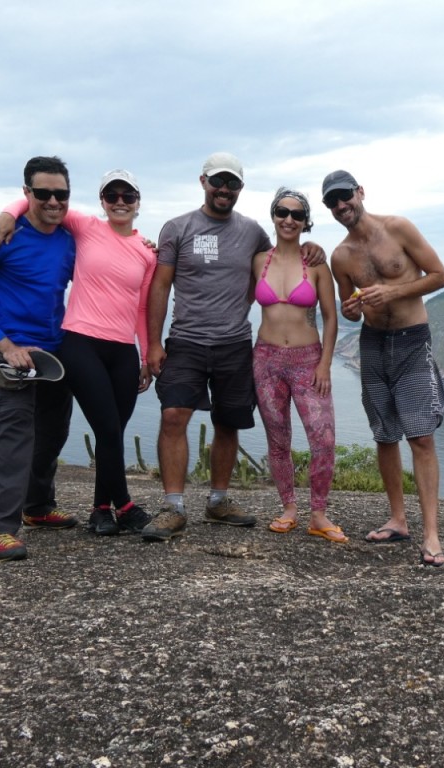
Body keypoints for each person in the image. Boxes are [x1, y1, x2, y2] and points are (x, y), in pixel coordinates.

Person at [141, 152, 325, 542]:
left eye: (233, 183)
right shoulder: (178, 227)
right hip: (187, 340)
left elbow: (283, 252)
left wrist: (315, 248)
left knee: (228, 421)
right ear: (203, 181)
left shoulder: (253, 232)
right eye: (218, 181)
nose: (225, 189)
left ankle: (218, 500)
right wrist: (153, 343)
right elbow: (160, 285)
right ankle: (173, 506)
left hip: (235, 343)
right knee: (174, 414)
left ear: (240, 188)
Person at [0, 169, 156, 537]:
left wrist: (144, 353)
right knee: (106, 426)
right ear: (102, 201)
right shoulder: (86, 226)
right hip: (79, 342)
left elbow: (141, 307)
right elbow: (41, 202)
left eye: (128, 196)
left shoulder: (147, 251)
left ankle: (100, 511)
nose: (120, 201)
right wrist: (8, 214)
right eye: (112, 195)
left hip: (124, 349)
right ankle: (124, 505)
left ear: (138, 202)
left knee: (114, 432)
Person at [323, 170, 444, 567]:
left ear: (360, 192)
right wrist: (351, 308)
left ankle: (431, 534)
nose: (341, 205)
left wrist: (394, 290)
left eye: (345, 196)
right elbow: (351, 310)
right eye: (332, 202)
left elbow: (441, 276)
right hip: (373, 344)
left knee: (421, 437)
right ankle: (399, 519)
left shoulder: (398, 228)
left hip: (413, 339)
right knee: (384, 435)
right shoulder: (341, 256)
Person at [0, 156, 77, 562]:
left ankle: (37, 506)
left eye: (61, 193)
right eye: (43, 193)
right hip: (11, 352)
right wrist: (4, 345)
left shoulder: (68, 238)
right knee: (14, 431)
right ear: (27, 194)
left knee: (53, 429)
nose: (53, 201)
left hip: (54, 351)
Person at [253, 187, 345, 543]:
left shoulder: (317, 263)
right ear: (273, 216)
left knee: (323, 440)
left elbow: (330, 317)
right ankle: (289, 508)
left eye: (296, 214)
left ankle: (318, 513)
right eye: (282, 212)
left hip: (308, 360)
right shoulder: (258, 261)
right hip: (265, 359)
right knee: (278, 440)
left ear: (306, 222)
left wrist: (325, 365)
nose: (288, 219)